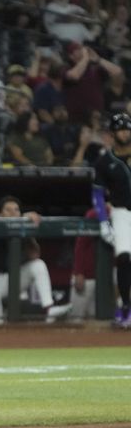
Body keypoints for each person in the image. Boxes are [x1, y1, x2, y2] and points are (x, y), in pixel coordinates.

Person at [0, 196, 71, 324]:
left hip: (12, 279)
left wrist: (27, 228)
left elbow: (34, 255)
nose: (13, 213)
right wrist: (22, 220)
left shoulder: (20, 229)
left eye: (16, 210)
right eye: (8, 210)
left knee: (38, 265)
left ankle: (49, 308)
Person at [84, 115, 131, 328]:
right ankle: (126, 308)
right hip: (121, 212)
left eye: (128, 129)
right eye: (121, 130)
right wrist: (103, 221)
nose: (125, 133)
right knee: (123, 258)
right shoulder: (105, 161)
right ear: (113, 134)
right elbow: (97, 194)